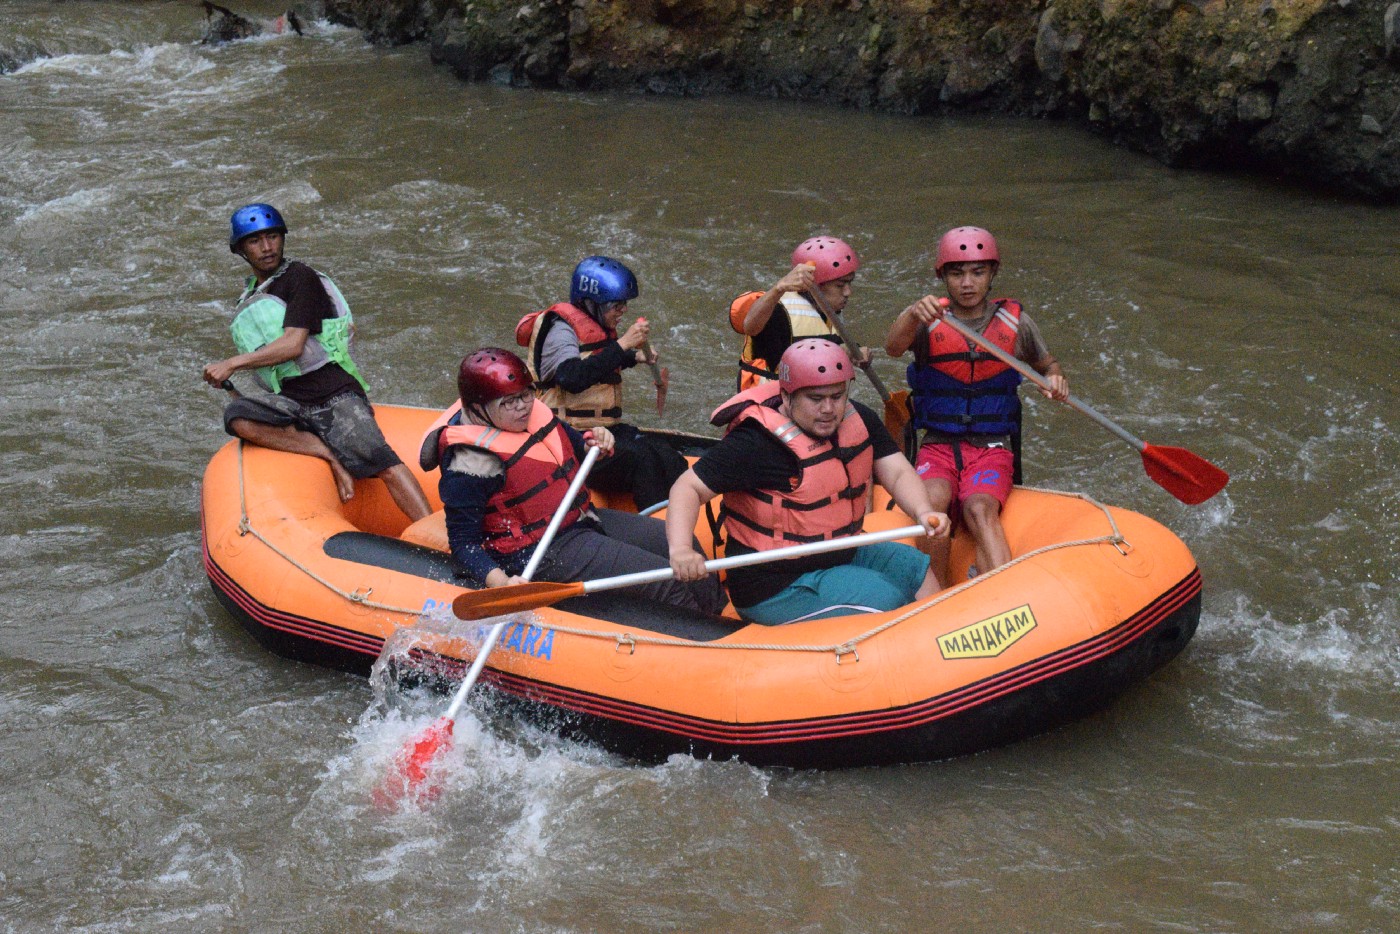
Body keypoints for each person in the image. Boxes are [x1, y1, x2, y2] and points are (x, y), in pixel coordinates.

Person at [666, 339, 950, 625]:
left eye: (837, 396)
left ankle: (942, 643)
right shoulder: (756, 443)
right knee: (886, 597)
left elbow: (898, 472)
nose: (829, 408)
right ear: (787, 398)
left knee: (913, 567)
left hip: (840, 553)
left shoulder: (860, 419)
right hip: (773, 586)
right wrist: (681, 549)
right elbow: (687, 488)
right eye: (815, 399)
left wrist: (923, 511)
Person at [421, 348, 725, 614]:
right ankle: (705, 648)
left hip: (581, 519)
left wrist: (597, 441)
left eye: (526, 395)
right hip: (536, 551)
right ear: (477, 409)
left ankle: (722, 618)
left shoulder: (535, 414)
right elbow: (464, 545)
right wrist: (500, 581)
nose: (523, 406)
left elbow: (576, 445)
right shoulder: (470, 463)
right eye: (509, 402)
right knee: (663, 579)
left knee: (677, 542)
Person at [202, 203, 430, 521]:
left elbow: (294, 345)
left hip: (332, 391)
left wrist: (232, 364)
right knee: (237, 417)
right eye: (255, 241)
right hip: (291, 398)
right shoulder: (252, 295)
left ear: (282, 239)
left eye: (272, 237)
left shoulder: (300, 278)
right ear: (241, 249)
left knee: (385, 464)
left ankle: (441, 539)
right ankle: (326, 454)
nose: (267, 247)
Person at [883, 226, 1068, 586]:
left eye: (977, 272)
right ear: (943, 277)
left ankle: (1005, 591)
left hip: (992, 445)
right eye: (957, 273)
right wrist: (910, 313)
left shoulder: (1017, 323)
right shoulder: (928, 318)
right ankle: (935, 597)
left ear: (992, 274)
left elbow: (1047, 365)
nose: (967, 282)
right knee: (932, 504)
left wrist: (1056, 380)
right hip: (937, 443)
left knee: (979, 508)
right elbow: (891, 347)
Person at [515, 255, 687, 510]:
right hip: (567, 439)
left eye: (624, 304)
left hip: (603, 430)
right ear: (591, 302)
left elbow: (598, 358)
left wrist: (632, 356)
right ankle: (658, 534)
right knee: (642, 462)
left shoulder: (595, 324)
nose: (623, 311)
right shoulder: (559, 330)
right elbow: (571, 377)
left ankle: (681, 522)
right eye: (616, 305)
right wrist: (624, 344)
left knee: (670, 458)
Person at [728, 236, 872, 392]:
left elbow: (832, 340)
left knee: (868, 416)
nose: (848, 292)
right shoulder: (778, 312)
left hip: (810, 400)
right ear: (815, 285)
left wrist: (854, 352)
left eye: (849, 282)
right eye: (840, 285)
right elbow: (751, 327)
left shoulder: (830, 309)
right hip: (770, 400)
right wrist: (778, 288)